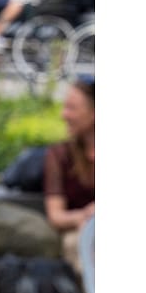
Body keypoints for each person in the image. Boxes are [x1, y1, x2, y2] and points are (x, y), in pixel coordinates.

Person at [44, 78, 95, 275]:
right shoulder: (60, 155)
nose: (63, 114)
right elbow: (56, 215)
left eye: (72, 108)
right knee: (80, 245)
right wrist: (85, 216)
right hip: (80, 232)